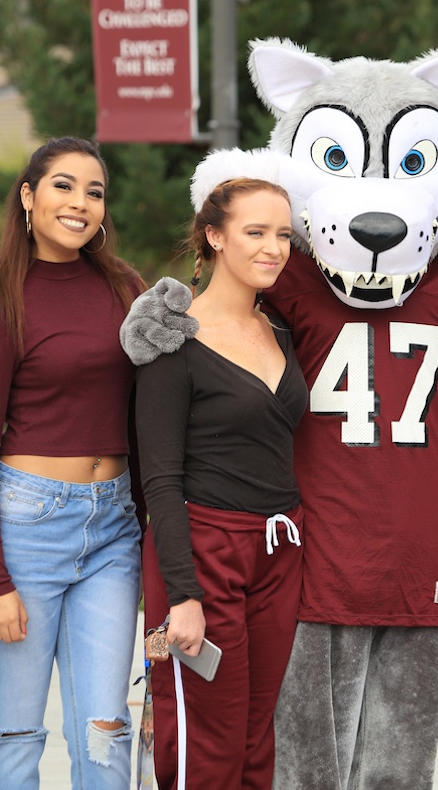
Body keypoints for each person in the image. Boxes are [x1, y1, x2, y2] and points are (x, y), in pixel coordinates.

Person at [0, 137, 145, 789]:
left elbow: (153, 411)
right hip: (25, 526)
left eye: (94, 191)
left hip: (113, 530)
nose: (81, 203)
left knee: (106, 730)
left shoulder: (125, 287)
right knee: (13, 733)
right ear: (29, 197)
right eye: (63, 186)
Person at [125, 178, 306, 789]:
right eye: (256, 232)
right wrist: (182, 594)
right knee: (207, 743)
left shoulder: (279, 329)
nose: (273, 247)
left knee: (257, 736)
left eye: (283, 234)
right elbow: (160, 478)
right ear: (215, 235)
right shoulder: (173, 338)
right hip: (203, 554)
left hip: (279, 549)